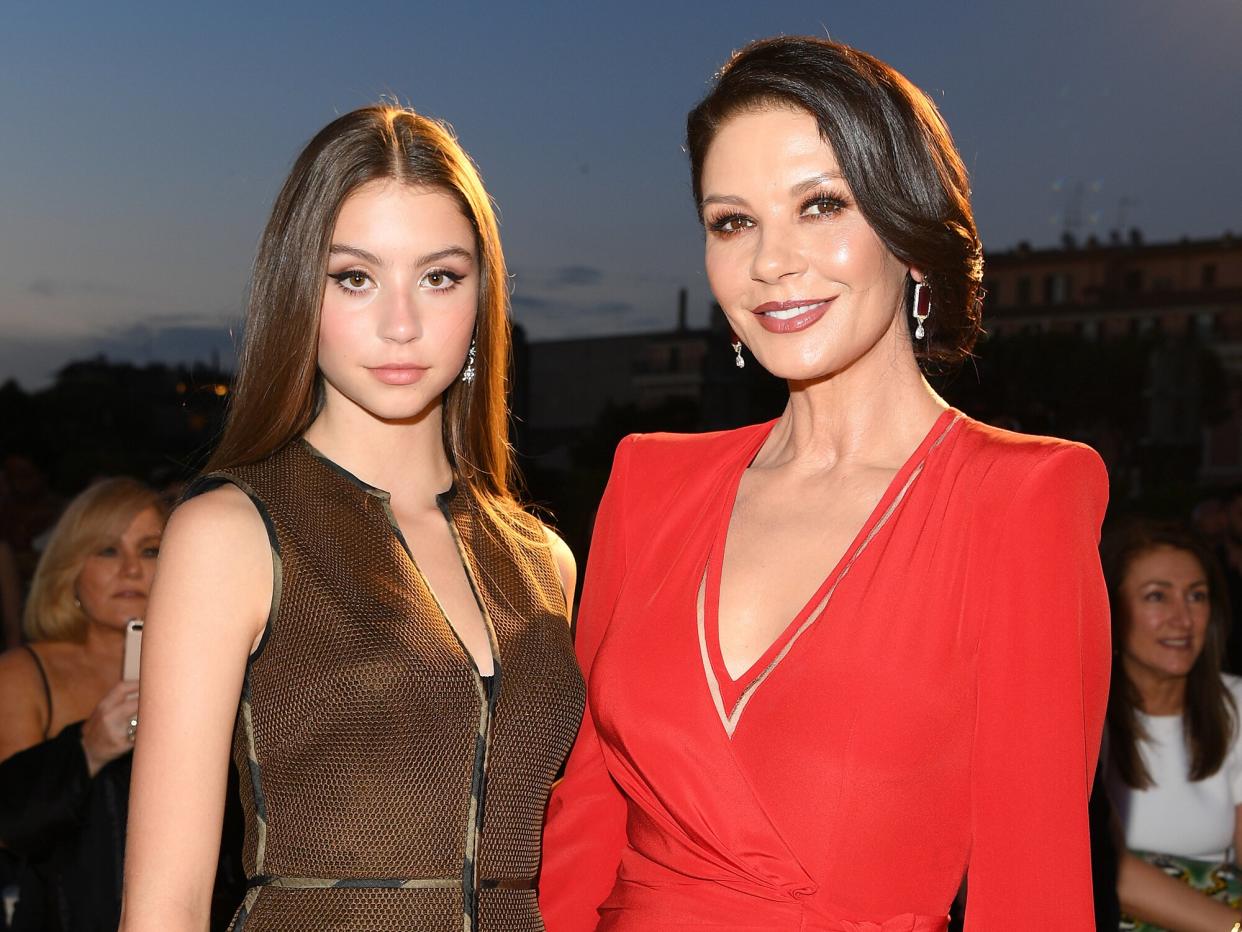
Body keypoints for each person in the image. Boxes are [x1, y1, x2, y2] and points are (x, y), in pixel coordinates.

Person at [539, 36, 1110, 931]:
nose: (771, 261)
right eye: (733, 221)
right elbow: (583, 821)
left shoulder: (1021, 500)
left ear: (910, 233)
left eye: (821, 205)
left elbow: (1033, 891)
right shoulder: (649, 482)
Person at [119, 105, 585, 931]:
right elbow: (167, 904)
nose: (400, 324)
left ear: (483, 301)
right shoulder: (231, 533)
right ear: (301, 293)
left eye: (440, 277)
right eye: (355, 278)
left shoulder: (544, 560)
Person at [0, 478, 162, 930]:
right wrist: (86, 751)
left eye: (150, 550)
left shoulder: (210, 668)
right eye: (108, 550)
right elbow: (12, 823)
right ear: (70, 568)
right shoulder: (23, 675)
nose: (131, 569)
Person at [1103, 520, 1242, 930]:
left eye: (1196, 596)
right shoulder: (1079, 713)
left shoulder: (1234, 703)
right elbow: (1103, 864)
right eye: (1157, 596)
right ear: (1110, 608)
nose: (1182, 619)